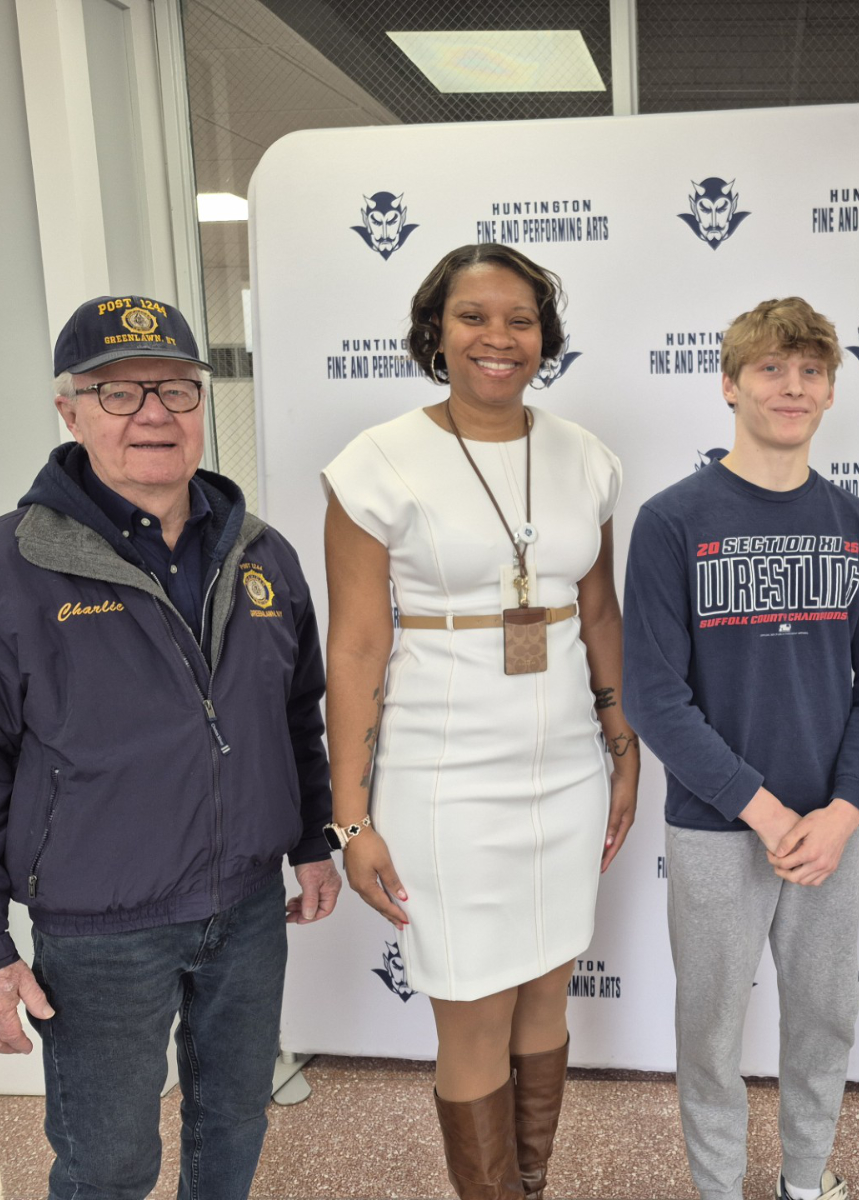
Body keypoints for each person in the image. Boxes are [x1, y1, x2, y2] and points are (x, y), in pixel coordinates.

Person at [0, 294, 341, 1199]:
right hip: (103, 929)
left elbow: (296, 713)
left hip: (249, 909)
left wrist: (310, 841)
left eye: (177, 390)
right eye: (119, 392)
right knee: (107, 1162)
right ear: (70, 410)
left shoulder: (262, 554)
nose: (153, 415)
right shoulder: (4, 568)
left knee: (233, 1124)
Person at [322, 243, 638, 1200]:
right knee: (470, 1007)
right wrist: (350, 815)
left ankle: (528, 1187)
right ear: (435, 331)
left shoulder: (586, 457)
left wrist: (623, 748)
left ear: (545, 336)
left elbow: (597, 616)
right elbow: (357, 649)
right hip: (442, 774)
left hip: (566, 770)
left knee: (546, 984)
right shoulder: (375, 464)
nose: (498, 338)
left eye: (520, 320)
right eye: (473, 318)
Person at [623, 297, 859, 1200]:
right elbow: (654, 698)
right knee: (709, 1029)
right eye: (772, 370)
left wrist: (844, 811)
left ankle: (804, 1183)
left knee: (825, 1020)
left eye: (810, 371)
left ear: (829, 391)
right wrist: (764, 808)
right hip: (716, 825)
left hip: (830, 828)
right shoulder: (673, 521)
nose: (792, 387)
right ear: (730, 384)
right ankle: (717, 1188)